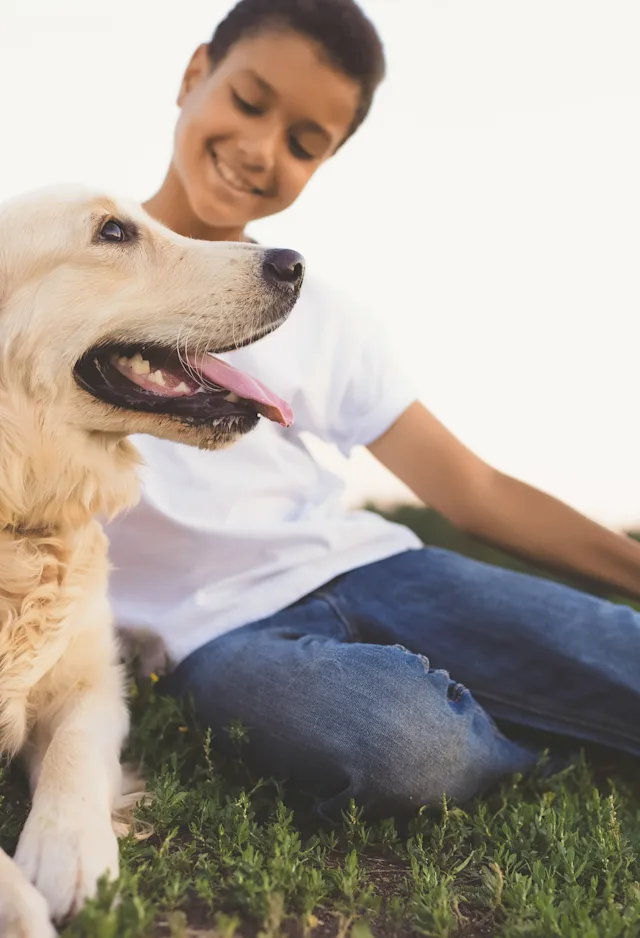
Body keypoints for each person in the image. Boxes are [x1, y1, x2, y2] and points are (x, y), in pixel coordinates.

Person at [106, 0, 640, 822]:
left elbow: (475, 493)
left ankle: (533, 703)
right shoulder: (80, 262)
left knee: (615, 649)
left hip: (379, 571)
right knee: (404, 745)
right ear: (193, 74)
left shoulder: (315, 309)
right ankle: (539, 745)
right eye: (249, 102)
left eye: (302, 143)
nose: (259, 149)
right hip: (211, 638)